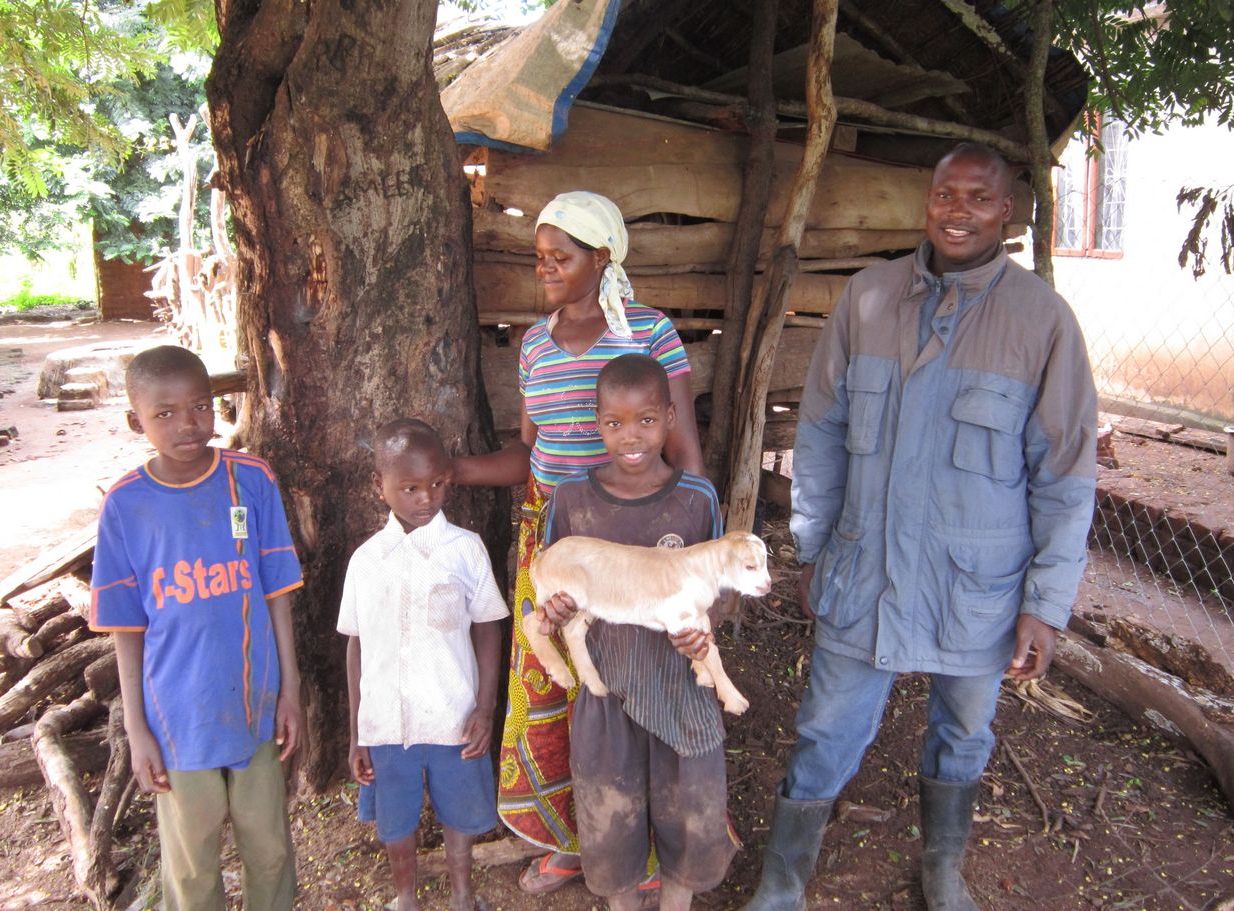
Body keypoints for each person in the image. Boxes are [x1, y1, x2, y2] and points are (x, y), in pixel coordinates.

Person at [742, 144, 1098, 911]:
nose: (958, 210)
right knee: (825, 726)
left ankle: (942, 867)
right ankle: (782, 879)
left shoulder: (1041, 320)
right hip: (864, 570)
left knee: (964, 731)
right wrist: (812, 544)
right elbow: (823, 431)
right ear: (926, 203)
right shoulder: (868, 298)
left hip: (980, 586)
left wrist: (1046, 602)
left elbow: (1066, 474)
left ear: (1008, 212)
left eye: (978, 197)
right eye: (945, 194)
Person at [454, 190, 705, 894]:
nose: (547, 270)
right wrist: (460, 469)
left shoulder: (649, 334)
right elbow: (531, 458)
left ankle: (653, 849)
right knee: (559, 691)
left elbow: (685, 449)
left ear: (602, 257)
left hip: (634, 539)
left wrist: (693, 556)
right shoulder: (534, 345)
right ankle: (577, 838)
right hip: (553, 540)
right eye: (539, 259)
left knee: (637, 686)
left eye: (561, 257)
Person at [89, 345, 304, 911]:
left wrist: (291, 690)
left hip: (255, 706)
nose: (188, 424)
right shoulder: (126, 505)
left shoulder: (251, 480)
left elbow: (277, 592)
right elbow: (125, 629)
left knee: (271, 849)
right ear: (136, 422)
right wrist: (137, 728)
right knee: (190, 864)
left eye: (200, 406)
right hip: (178, 719)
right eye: (164, 414)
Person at [534, 354, 738, 911]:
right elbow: (553, 585)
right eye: (615, 423)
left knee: (691, 816)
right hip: (606, 693)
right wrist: (550, 613)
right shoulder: (572, 502)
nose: (631, 437)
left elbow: (717, 593)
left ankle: (676, 904)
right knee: (609, 818)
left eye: (647, 420)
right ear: (596, 422)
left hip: (681, 687)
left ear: (671, 418)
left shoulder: (695, 500)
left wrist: (703, 633)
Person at [338, 418, 506, 911]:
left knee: (459, 813)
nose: (425, 498)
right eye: (409, 488)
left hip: (454, 716)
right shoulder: (366, 561)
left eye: (436, 484)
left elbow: (488, 625)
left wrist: (485, 707)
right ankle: (405, 898)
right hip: (387, 725)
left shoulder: (465, 550)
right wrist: (357, 733)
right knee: (396, 820)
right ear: (380, 486)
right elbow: (356, 645)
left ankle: (461, 895)